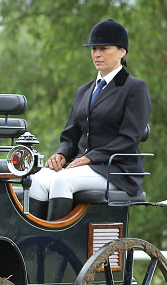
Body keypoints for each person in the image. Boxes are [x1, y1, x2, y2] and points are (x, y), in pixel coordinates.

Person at [28, 19, 151, 221]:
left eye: (104, 48)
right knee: (38, 179)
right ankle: (33, 246)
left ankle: (56, 248)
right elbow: (70, 135)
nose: (97, 54)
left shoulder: (134, 88)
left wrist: (91, 157)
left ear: (122, 52)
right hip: (79, 165)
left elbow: (129, 138)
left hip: (116, 170)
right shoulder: (83, 91)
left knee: (61, 181)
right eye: (94, 49)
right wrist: (60, 154)